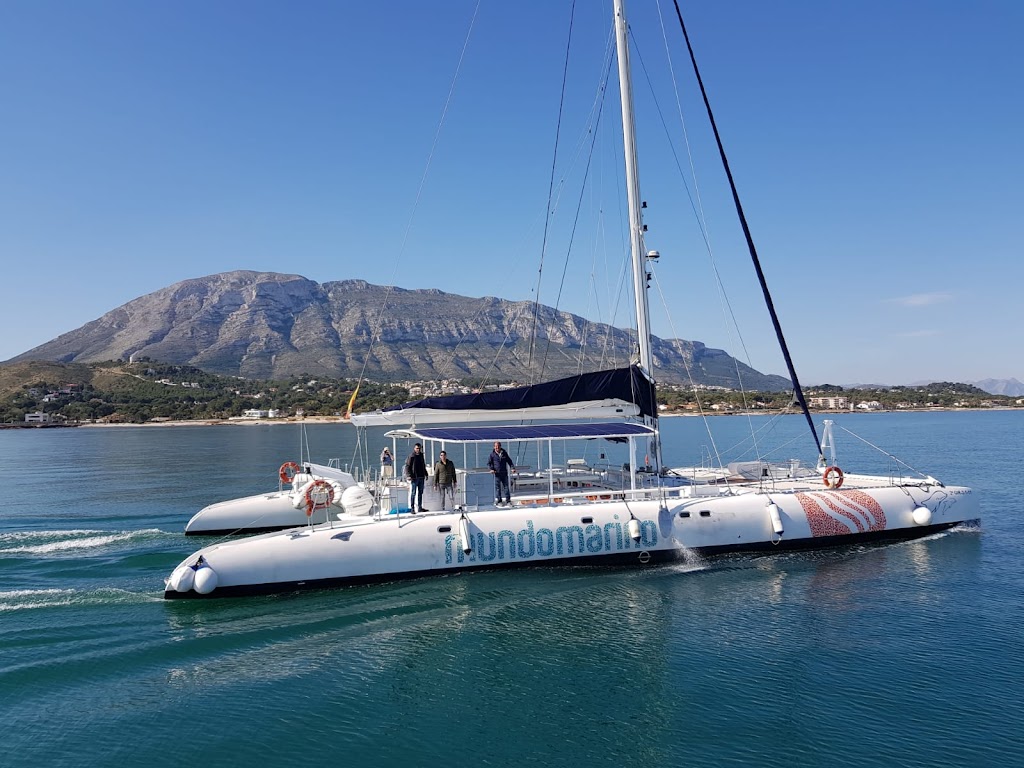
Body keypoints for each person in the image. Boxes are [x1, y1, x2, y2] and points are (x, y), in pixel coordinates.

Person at [487, 441, 516, 507]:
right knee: (498, 488)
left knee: (506, 487)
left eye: (498, 446)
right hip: (497, 474)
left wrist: (512, 468)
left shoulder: (504, 453)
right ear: (494, 447)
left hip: (504, 473)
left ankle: (508, 501)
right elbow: (489, 463)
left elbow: (509, 461)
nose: (497, 447)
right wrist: (491, 469)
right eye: (496, 446)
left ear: (500, 446)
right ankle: (499, 501)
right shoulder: (492, 455)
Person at [405, 443, 428, 513]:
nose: (418, 450)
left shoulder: (421, 455)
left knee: (420, 493)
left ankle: (420, 507)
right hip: (414, 477)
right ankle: (412, 508)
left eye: (419, 448)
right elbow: (407, 466)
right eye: (417, 448)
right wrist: (409, 475)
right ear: (414, 449)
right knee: (413, 493)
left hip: (421, 477)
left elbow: (423, 465)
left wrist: (426, 473)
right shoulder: (411, 456)